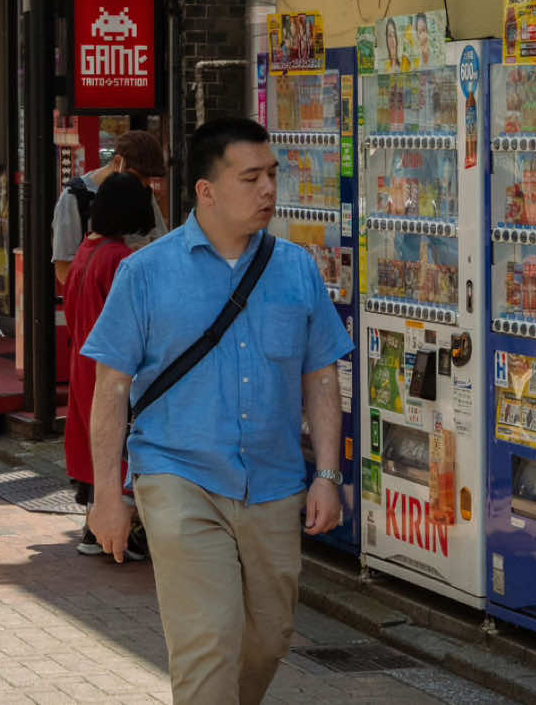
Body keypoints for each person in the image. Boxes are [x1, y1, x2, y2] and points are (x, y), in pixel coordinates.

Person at [84, 117, 352, 705]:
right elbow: (111, 390)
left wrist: (328, 475)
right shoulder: (145, 273)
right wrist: (108, 495)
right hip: (178, 476)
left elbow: (322, 374)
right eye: (250, 177)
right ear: (206, 190)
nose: (268, 191)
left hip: (275, 482)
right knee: (209, 641)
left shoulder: (295, 268)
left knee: (267, 637)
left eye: (273, 175)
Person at [62, 172, 154, 561]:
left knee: (96, 443)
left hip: (83, 360)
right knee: (122, 444)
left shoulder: (86, 251)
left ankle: (93, 525)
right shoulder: (120, 259)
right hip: (115, 365)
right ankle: (123, 531)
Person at [51, 129, 168, 286]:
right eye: (140, 176)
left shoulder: (142, 191)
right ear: (118, 163)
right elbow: (64, 271)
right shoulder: (74, 198)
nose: (145, 183)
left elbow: (161, 244)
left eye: (149, 178)